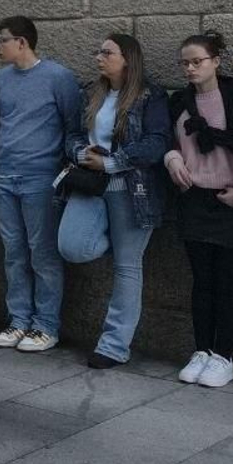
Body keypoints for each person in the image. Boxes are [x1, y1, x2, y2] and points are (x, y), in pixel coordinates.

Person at [59, 34, 169, 369]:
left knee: (127, 267)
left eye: (107, 52)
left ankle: (114, 346)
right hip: (92, 186)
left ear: (128, 58)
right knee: (71, 245)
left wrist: (112, 162)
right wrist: (80, 152)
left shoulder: (151, 96)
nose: (99, 58)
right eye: (99, 51)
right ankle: (120, 240)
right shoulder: (92, 92)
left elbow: (157, 142)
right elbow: (73, 134)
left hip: (131, 190)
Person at [165, 32, 233, 389]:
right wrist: (172, 157)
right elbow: (170, 139)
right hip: (194, 198)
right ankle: (201, 350)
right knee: (202, 281)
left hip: (232, 200)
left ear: (216, 61)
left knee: (229, 281)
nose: (190, 69)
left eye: (197, 61)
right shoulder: (179, 100)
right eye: (185, 63)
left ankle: (224, 355)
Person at [0, 16, 81, 354]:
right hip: (4, 174)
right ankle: (18, 320)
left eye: (3, 40)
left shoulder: (59, 78)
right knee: (13, 252)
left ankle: (46, 325)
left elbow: (73, 125)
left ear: (22, 42)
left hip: (41, 176)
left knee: (42, 252)